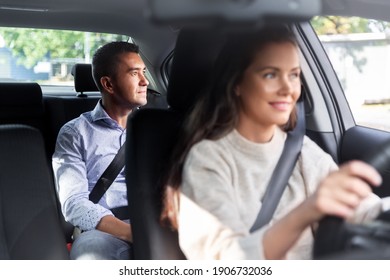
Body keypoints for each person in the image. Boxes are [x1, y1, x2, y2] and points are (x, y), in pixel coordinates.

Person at [160, 25, 390, 260]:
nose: (287, 88)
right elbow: (225, 261)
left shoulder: (300, 150)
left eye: (294, 75)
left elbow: (365, 211)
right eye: (270, 74)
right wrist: (306, 212)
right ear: (236, 82)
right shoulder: (208, 159)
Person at [52, 41, 149, 259]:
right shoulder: (75, 133)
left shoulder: (156, 127)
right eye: (135, 74)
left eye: (144, 72)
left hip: (155, 222)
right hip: (104, 231)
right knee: (91, 257)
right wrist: (134, 233)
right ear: (109, 84)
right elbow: (74, 203)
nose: (146, 81)